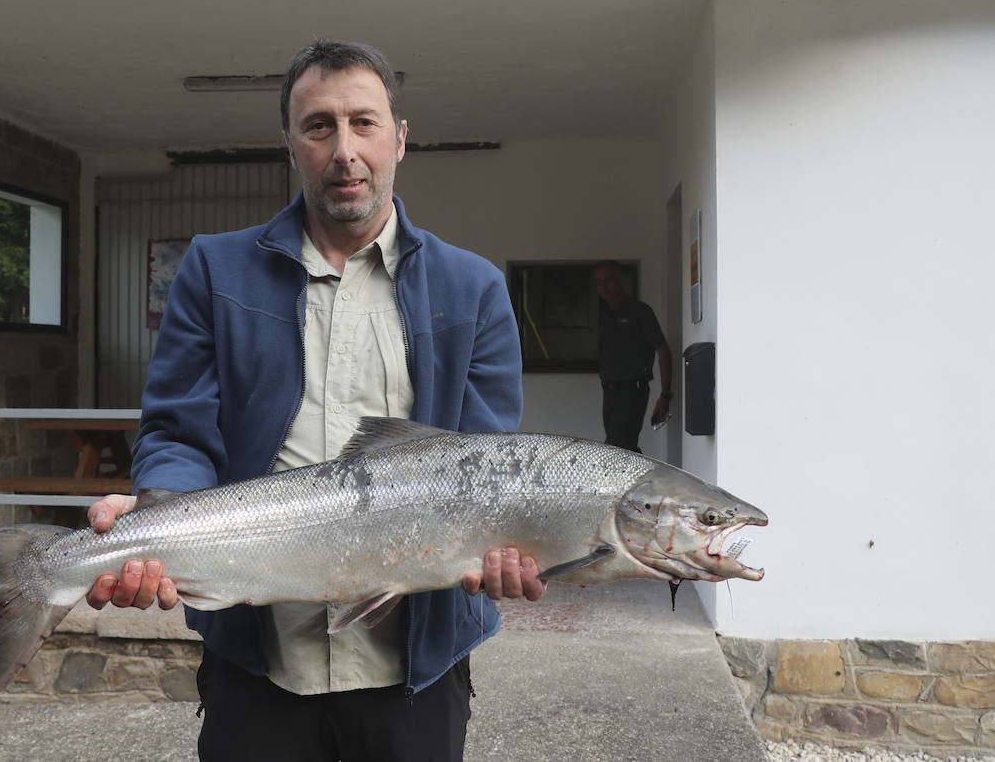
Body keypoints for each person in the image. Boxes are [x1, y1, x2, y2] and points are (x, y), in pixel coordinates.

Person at [84, 39, 545, 761]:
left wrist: (508, 548)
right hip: (258, 659)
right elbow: (177, 430)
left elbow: (484, 468)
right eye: (319, 126)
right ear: (290, 145)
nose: (344, 149)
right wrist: (161, 511)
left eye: (364, 123)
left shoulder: (474, 289)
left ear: (399, 138)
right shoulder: (214, 269)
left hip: (415, 665)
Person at [593, 259, 672, 453]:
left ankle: (637, 482)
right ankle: (638, 482)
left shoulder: (640, 312)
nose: (604, 287)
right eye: (599, 282)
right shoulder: (604, 314)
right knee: (623, 449)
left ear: (621, 281)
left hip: (631, 390)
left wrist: (665, 395)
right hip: (609, 391)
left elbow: (662, 349)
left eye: (608, 280)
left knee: (615, 450)